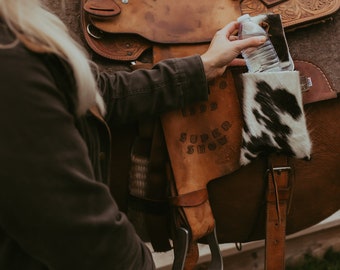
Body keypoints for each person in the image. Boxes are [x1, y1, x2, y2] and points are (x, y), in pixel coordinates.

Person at [0, 1, 265, 269]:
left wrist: (200, 68)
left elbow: (100, 91)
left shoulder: (16, 33)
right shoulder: (11, 65)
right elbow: (78, 232)